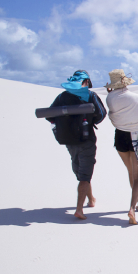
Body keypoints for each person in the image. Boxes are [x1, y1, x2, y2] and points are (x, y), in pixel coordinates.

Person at [47, 70, 104, 220]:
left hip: (69, 140)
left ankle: (91, 200)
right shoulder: (90, 95)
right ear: (85, 82)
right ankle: (79, 209)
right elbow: (102, 114)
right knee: (84, 175)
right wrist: (90, 120)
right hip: (86, 140)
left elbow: (49, 114)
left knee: (82, 171)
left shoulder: (62, 96)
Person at [105, 69, 138, 225]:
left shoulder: (110, 98)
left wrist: (110, 93)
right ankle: (132, 208)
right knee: (137, 176)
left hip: (121, 136)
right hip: (137, 136)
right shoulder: (136, 97)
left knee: (130, 171)